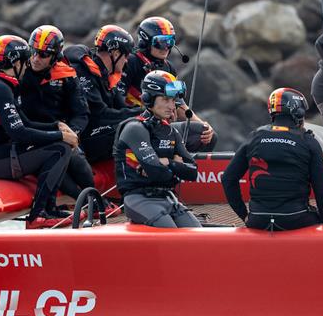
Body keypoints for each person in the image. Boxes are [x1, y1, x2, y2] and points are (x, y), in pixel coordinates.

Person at [0, 35, 78, 229]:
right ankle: (38, 215)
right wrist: (61, 136)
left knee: (59, 142)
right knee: (60, 149)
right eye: (25, 60)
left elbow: (25, 122)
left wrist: (57, 127)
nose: (28, 64)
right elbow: (19, 133)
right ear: (16, 62)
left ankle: (50, 209)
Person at [221, 87, 323, 230]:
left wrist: (244, 215)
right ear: (298, 112)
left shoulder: (254, 137)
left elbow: (227, 179)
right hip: (296, 218)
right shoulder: (308, 141)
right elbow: (321, 190)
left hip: (257, 220)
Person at [113, 70, 201, 228]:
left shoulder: (171, 131)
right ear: (148, 99)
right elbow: (157, 172)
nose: (172, 106)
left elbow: (193, 171)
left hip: (168, 198)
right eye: (165, 99)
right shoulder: (135, 128)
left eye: (173, 100)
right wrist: (174, 165)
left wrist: (167, 163)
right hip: (139, 199)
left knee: (197, 236)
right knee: (172, 235)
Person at [20, 24, 96, 203]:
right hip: (28, 133)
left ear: (55, 56)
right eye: (33, 51)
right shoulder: (19, 71)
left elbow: (81, 113)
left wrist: (72, 133)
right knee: (57, 160)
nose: (36, 58)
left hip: (60, 133)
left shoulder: (66, 75)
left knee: (76, 160)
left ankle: (96, 201)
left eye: (44, 54)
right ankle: (86, 202)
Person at [121, 16, 217, 152]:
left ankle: (187, 167)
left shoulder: (169, 68)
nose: (166, 47)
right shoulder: (130, 62)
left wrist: (203, 125)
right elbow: (117, 101)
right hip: (136, 124)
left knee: (205, 134)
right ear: (145, 41)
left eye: (171, 42)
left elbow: (179, 104)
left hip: (161, 125)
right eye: (161, 42)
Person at [64, 24, 142, 163]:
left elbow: (121, 107)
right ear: (116, 53)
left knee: (141, 123)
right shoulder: (83, 71)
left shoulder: (107, 75)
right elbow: (100, 114)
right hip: (80, 137)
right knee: (131, 128)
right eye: (126, 55)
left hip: (95, 131)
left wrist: (149, 112)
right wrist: (142, 115)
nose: (127, 60)